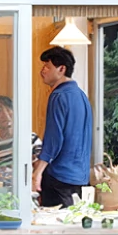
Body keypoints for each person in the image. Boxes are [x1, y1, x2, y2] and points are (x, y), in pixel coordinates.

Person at [32, 47, 93, 207]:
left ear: (61, 69)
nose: (42, 70)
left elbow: (54, 139)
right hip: (80, 176)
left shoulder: (58, 96)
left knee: (52, 220)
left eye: (47, 66)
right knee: (73, 219)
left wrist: (38, 172)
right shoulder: (81, 95)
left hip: (59, 176)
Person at [0, 95, 37, 183]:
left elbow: (38, 173)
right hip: (0, 189)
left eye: (8, 109)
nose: (5, 114)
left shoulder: (30, 138)